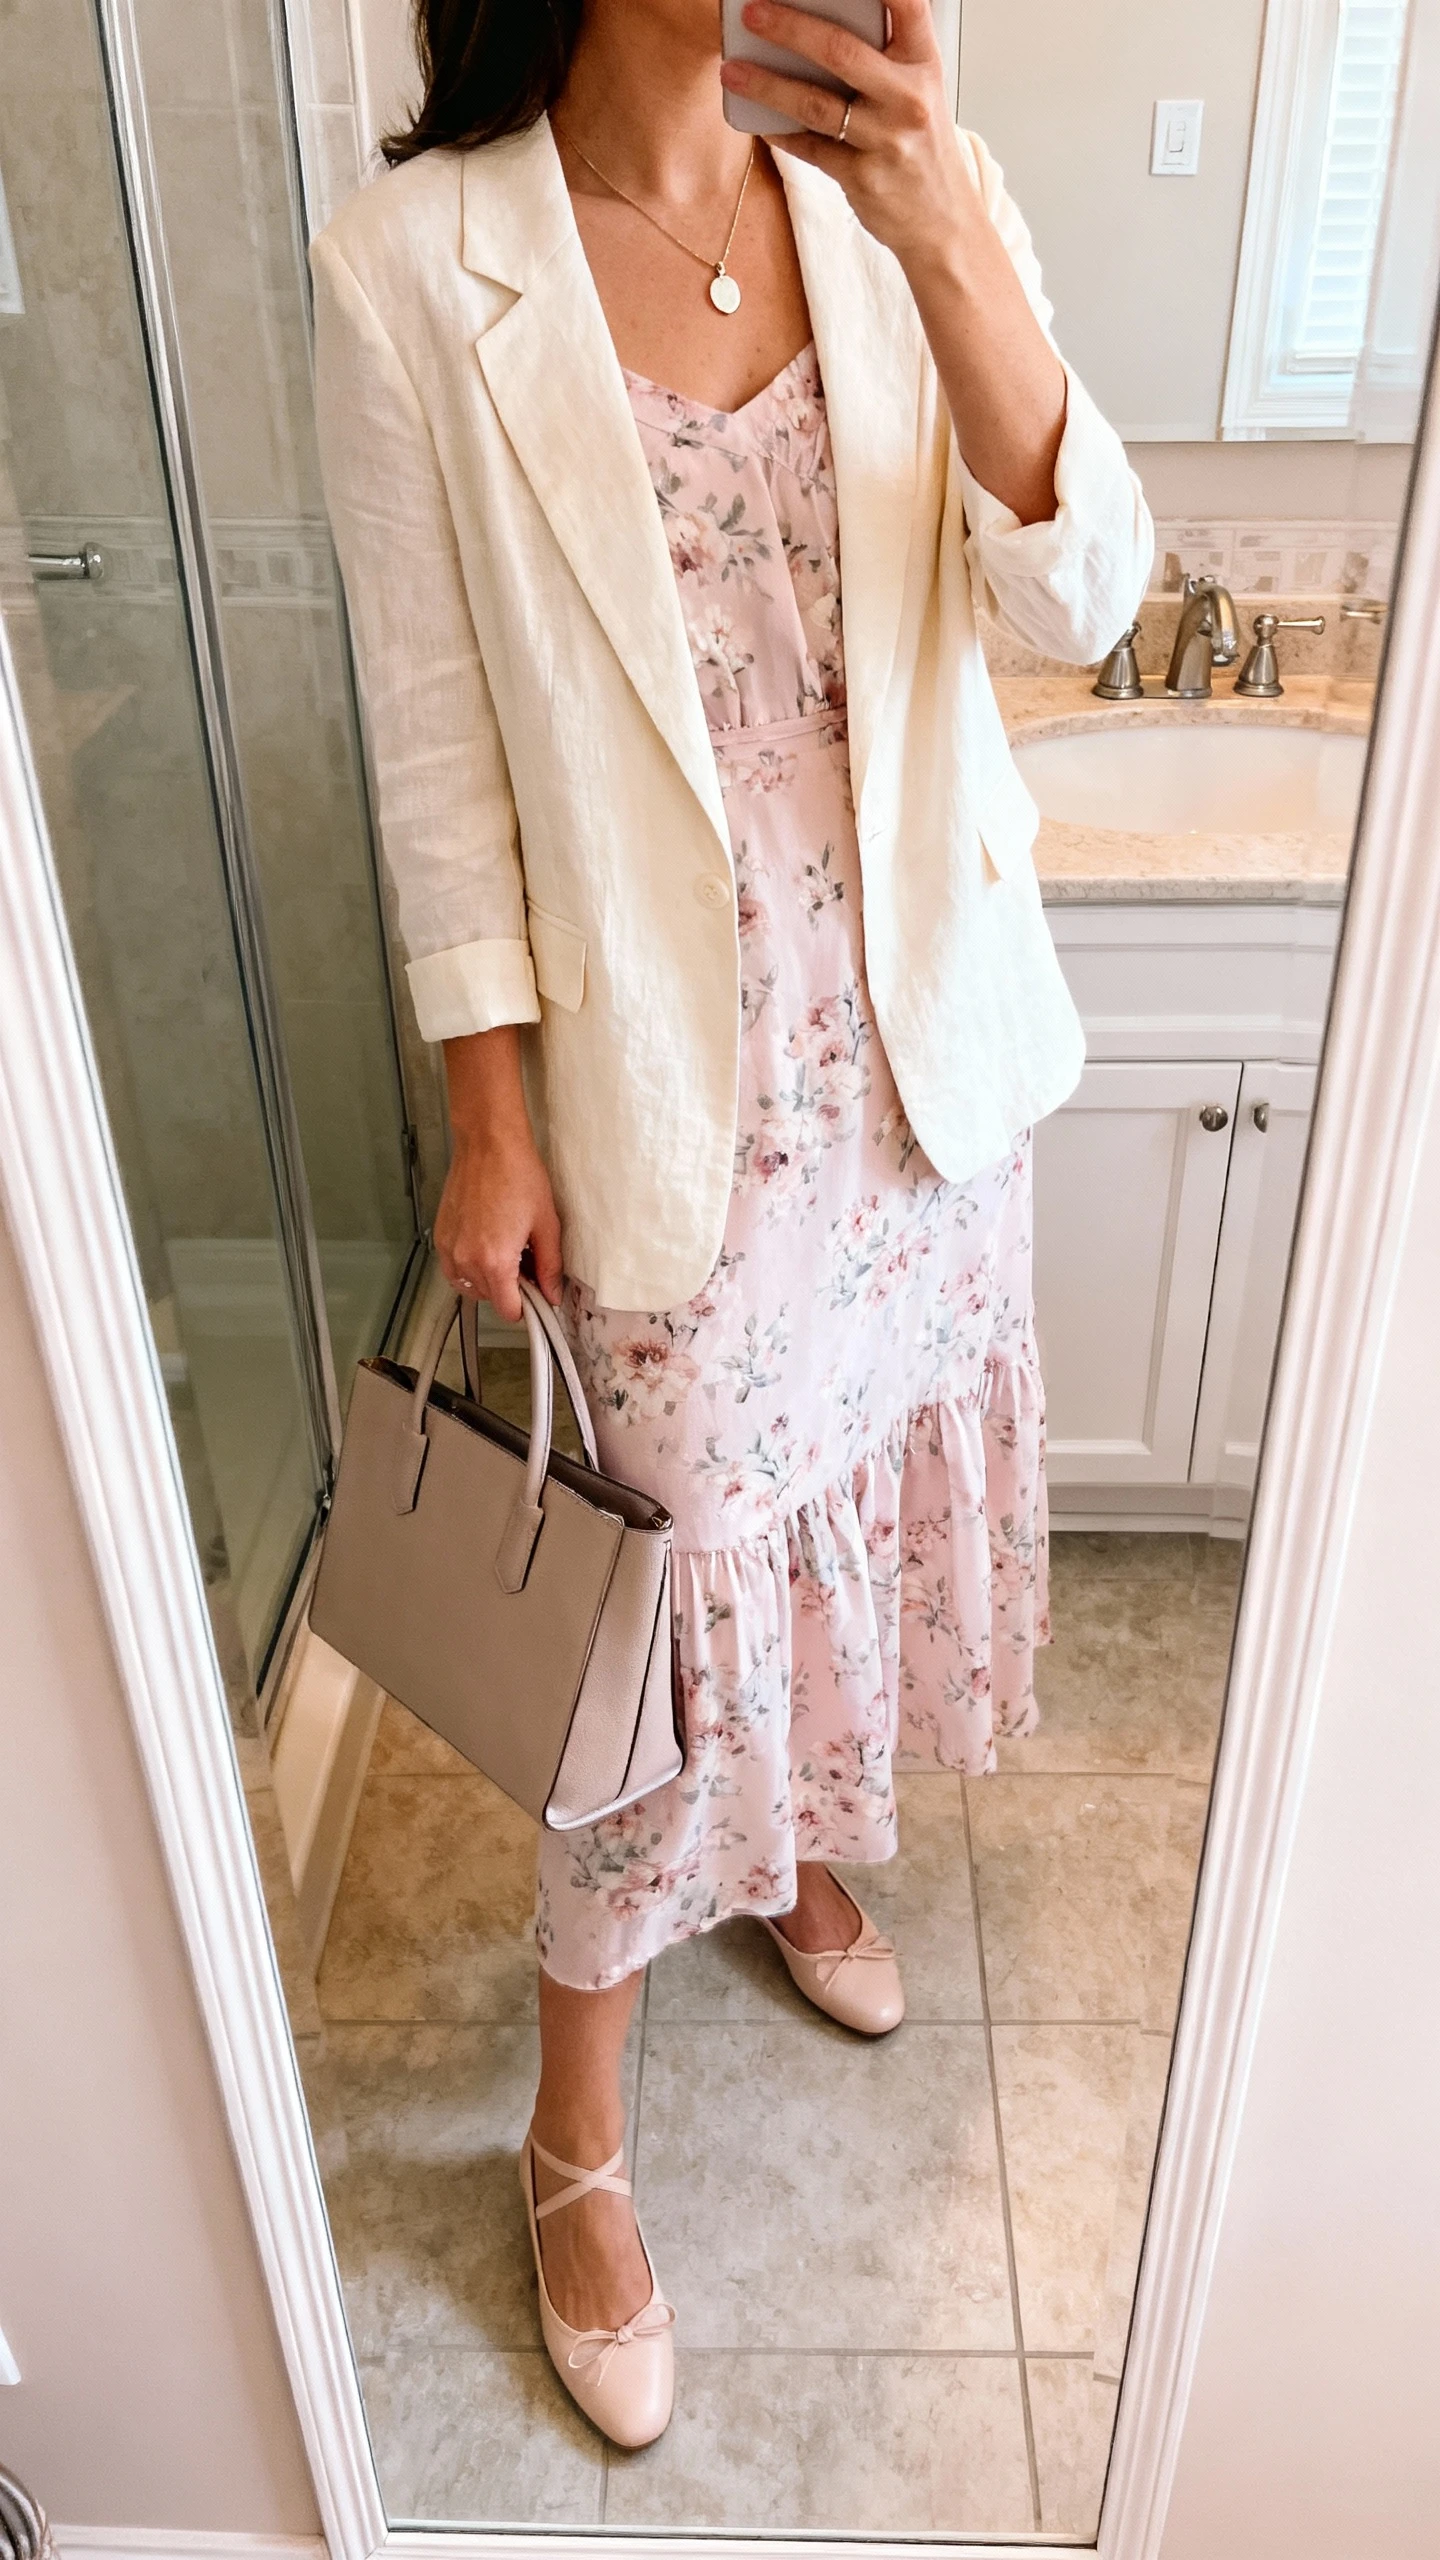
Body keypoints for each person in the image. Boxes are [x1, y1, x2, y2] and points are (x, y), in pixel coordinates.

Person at [311, 0, 1152, 2451]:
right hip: (675, 1100)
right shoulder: (415, 264)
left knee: (845, 1539)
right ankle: (575, 2137)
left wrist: (947, 231)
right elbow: (434, 737)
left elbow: (1081, 596)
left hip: (919, 1082)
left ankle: (793, 1865)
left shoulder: (907, 205)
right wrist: (489, 1112)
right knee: (651, 1635)